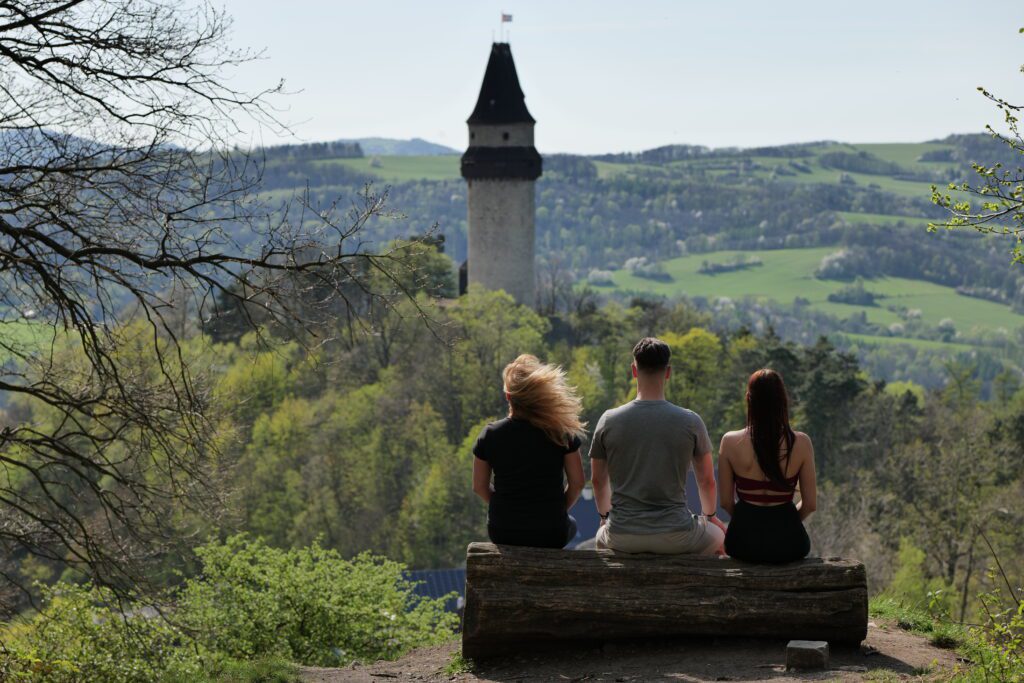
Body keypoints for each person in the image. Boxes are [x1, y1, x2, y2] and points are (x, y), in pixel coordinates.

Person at [590, 337, 726, 555]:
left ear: (634, 370)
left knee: (600, 537)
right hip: (676, 535)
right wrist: (709, 517)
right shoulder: (690, 421)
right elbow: (707, 481)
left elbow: (598, 481)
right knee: (718, 535)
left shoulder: (608, 420)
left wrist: (606, 518)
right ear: (668, 372)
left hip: (622, 534)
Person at [472, 354, 587, 548]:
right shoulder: (560, 433)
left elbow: (479, 486)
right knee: (571, 525)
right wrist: (556, 511)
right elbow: (577, 483)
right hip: (551, 532)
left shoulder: (490, 435)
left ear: (508, 396)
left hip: (504, 531)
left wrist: (504, 508)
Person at [718, 368, 817, 563]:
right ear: (782, 401)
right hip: (790, 544)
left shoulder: (730, 442)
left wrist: (747, 520)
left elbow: (725, 503)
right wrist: (786, 521)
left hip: (742, 543)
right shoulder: (801, 443)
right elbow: (810, 504)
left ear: (749, 399)